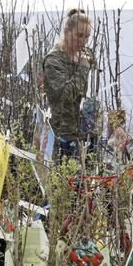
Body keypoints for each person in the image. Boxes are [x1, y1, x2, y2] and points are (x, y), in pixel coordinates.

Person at [43, 8, 93, 156]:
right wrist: (83, 68)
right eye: (79, 35)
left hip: (84, 130)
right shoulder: (54, 60)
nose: (83, 41)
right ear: (66, 32)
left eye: (86, 37)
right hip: (62, 134)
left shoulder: (86, 54)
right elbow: (65, 96)